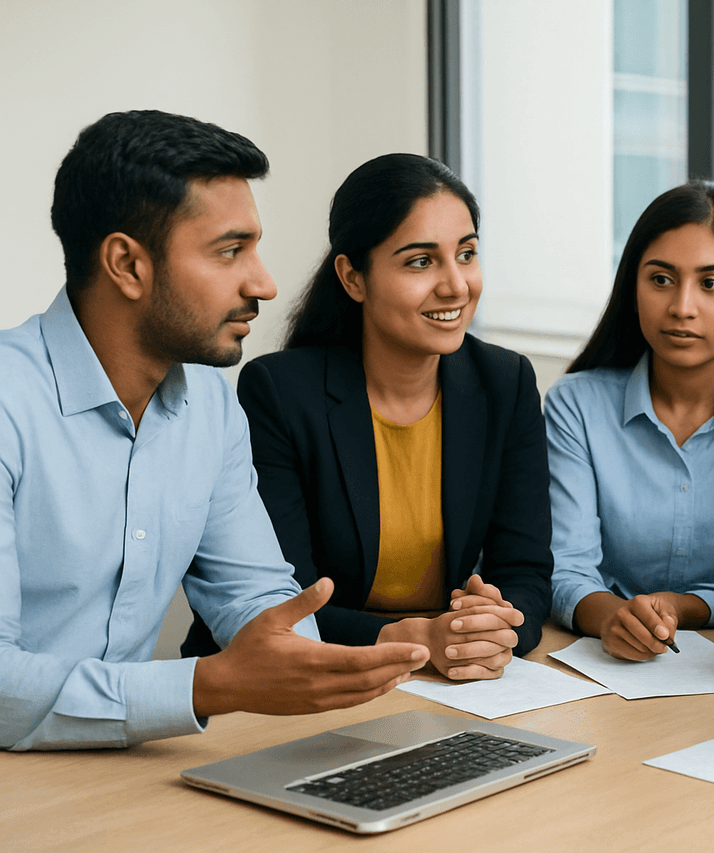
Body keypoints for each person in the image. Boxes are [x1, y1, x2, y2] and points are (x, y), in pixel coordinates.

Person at [0, 110, 428, 751]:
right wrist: (208, 686)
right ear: (127, 265)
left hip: (119, 769)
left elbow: (252, 592)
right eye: (230, 251)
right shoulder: (10, 402)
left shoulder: (210, 404)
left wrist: (310, 665)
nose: (265, 283)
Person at [182, 154, 550, 681]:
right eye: (420, 262)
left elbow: (526, 572)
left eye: (466, 254)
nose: (455, 285)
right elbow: (285, 604)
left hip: (436, 680)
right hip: (286, 679)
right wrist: (417, 638)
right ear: (353, 277)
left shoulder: (505, 383)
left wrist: (495, 628)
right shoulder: (281, 393)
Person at [546, 180, 714, 661]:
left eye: (711, 284)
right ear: (633, 286)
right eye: (661, 279)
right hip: (601, 659)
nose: (681, 307)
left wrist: (675, 607)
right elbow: (566, 569)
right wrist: (614, 616)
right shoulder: (576, 405)